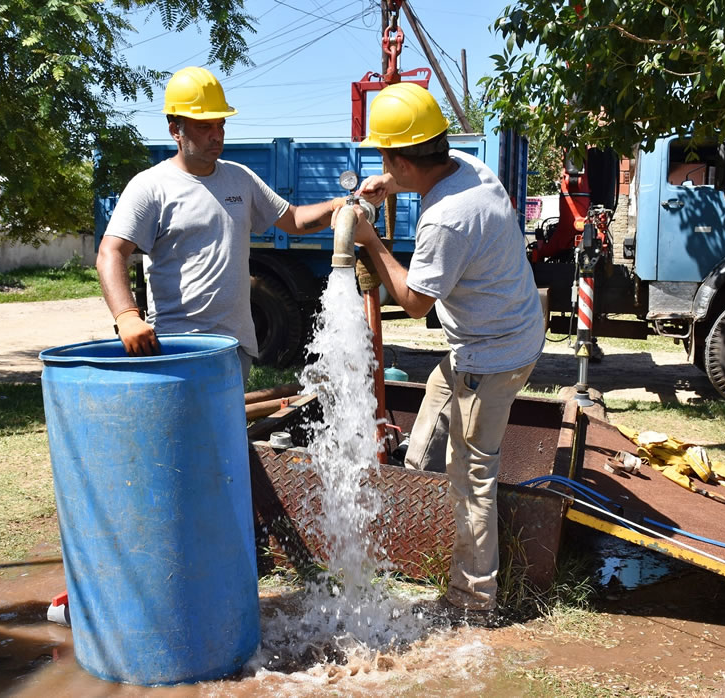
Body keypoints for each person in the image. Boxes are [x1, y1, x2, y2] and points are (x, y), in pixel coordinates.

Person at [350, 83, 545, 622]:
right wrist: (385, 185)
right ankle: (416, 478)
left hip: (491, 356)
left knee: (473, 474)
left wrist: (372, 241)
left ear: (400, 157)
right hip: (510, 333)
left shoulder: (446, 220)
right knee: (436, 406)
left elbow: (414, 302)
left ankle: (472, 600)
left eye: (387, 159)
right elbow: (412, 163)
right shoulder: (466, 167)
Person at [97, 66, 344, 382]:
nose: (217, 135)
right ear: (176, 130)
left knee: (225, 430)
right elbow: (110, 253)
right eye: (204, 127)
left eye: (221, 125)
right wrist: (128, 317)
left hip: (233, 347)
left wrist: (337, 205)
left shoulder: (240, 179)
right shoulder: (151, 187)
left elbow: (293, 220)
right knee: (183, 431)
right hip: (177, 347)